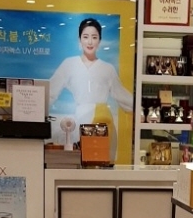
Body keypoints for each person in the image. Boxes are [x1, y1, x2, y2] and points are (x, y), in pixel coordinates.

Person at [49, 17, 133, 160]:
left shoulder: (108, 68)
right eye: (85, 37)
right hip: (80, 120)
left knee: (102, 163)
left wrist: (140, 109)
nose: (90, 42)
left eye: (94, 37)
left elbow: (123, 96)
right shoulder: (69, 64)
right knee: (80, 161)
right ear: (79, 40)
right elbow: (51, 91)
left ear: (99, 41)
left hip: (104, 122)